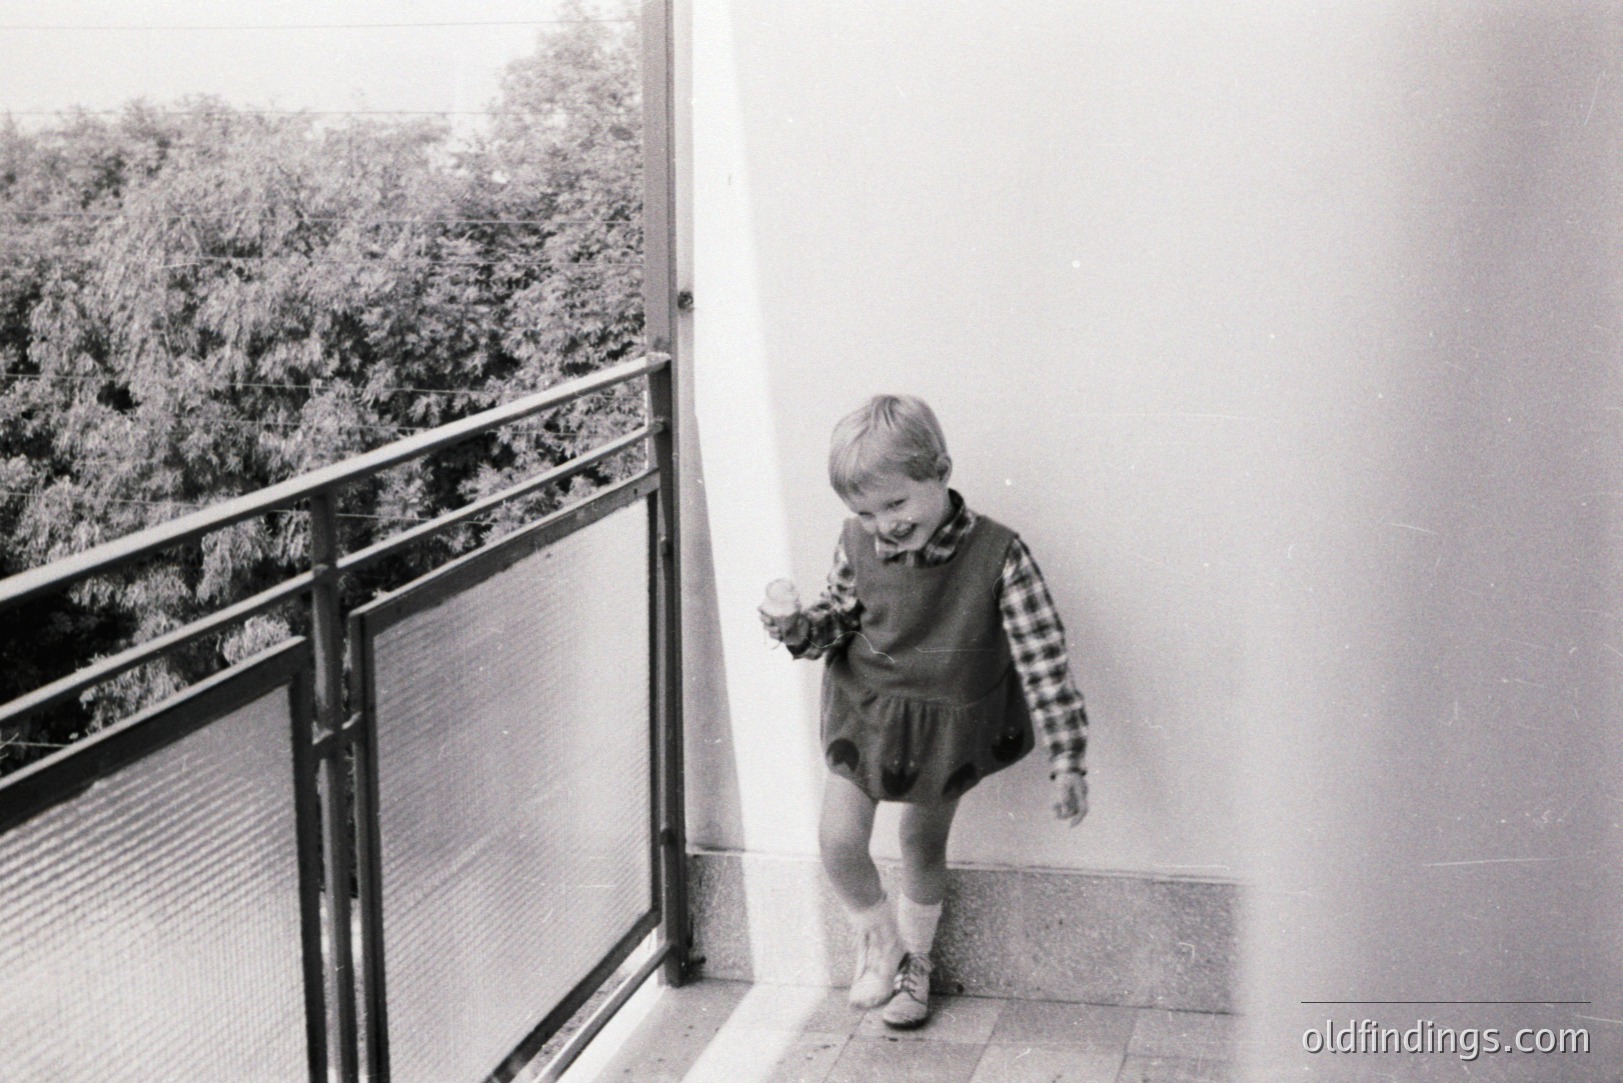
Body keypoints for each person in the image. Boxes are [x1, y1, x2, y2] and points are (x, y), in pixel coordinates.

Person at [759, 394, 1089, 1030]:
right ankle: (880, 940)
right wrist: (798, 627)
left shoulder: (1000, 554)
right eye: (864, 512)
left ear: (940, 471)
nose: (882, 525)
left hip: (945, 727)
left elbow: (1043, 658)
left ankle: (918, 961)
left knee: (920, 840)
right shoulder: (857, 542)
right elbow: (838, 619)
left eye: (895, 504)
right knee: (838, 840)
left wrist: (1068, 758)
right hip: (866, 714)